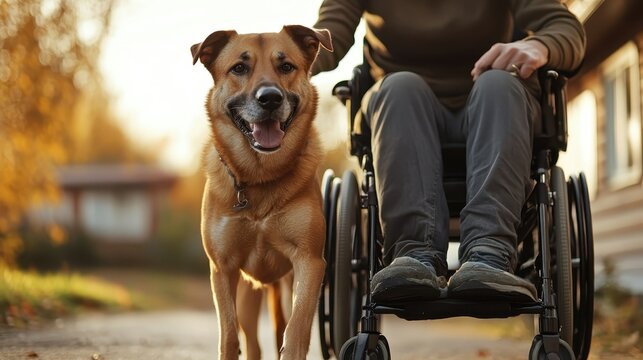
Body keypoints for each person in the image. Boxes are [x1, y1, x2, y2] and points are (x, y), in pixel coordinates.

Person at [311, 1, 585, 303]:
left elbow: (568, 29)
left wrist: (540, 45)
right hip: (401, 109)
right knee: (399, 87)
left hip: (495, 102)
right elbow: (326, 41)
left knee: (497, 84)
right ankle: (413, 255)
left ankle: (489, 252)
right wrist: (270, 65)